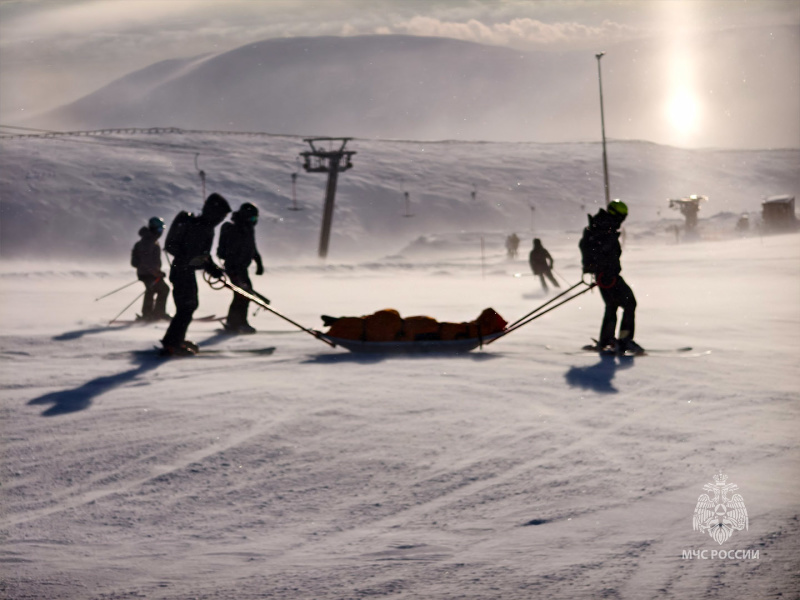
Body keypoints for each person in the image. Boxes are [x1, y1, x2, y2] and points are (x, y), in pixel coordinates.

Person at [161, 193, 231, 355]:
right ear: (214, 212)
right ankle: (172, 343)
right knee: (187, 307)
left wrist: (212, 268)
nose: (221, 219)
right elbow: (194, 254)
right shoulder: (199, 228)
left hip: (185, 271)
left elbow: (203, 255)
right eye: (221, 215)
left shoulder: (206, 228)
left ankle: (175, 339)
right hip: (182, 272)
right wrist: (207, 266)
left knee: (188, 306)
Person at [579, 199, 643, 355]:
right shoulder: (604, 226)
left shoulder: (602, 224)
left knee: (612, 305)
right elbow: (598, 250)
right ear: (617, 215)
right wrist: (603, 271)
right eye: (623, 217)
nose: (623, 220)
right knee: (629, 303)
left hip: (605, 274)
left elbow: (589, 246)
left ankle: (607, 340)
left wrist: (595, 269)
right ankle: (624, 341)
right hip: (607, 275)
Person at [217, 202, 265, 334]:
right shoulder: (234, 228)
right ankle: (239, 323)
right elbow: (229, 252)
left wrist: (259, 263)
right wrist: (234, 269)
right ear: (245, 216)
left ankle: (234, 322)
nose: (253, 221)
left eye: (255, 219)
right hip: (234, 268)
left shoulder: (248, 228)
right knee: (243, 294)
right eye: (252, 218)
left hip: (242, 268)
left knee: (242, 294)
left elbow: (252, 248)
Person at [130, 217, 170, 321]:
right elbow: (146, 260)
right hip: (148, 273)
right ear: (155, 229)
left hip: (147, 273)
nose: (161, 233)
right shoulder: (148, 241)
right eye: (160, 230)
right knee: (163, 289)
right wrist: (155, 272)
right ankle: (156, 314)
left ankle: (149, 314)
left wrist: (157, 271)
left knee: (151, 290)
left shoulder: (149, 239)